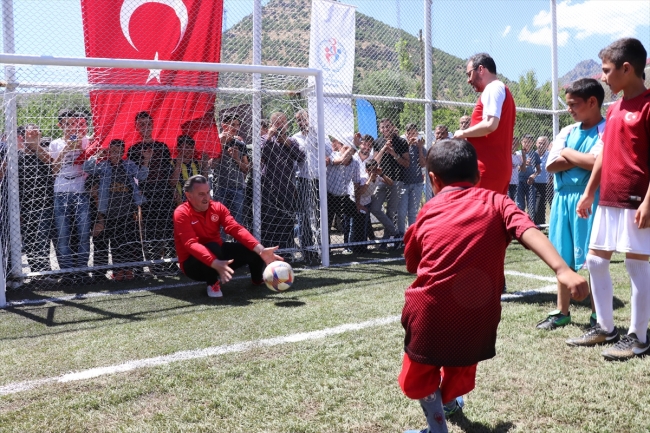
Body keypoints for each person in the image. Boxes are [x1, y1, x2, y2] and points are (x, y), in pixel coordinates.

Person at [400, 139, 589, 433]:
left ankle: (437, 426)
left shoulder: (428, 210)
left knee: (420, 373)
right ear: (478, 174)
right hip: (479, 313)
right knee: (459, 363)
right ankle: (448, 401)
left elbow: (413, 262)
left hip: (429, 310)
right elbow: (527, 229)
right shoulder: (498, 201)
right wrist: (562, 269)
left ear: (433, 180)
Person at [568, 38, 650, 361]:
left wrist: (647, 201)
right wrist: (590, 191)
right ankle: (605, 327)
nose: (603, 77)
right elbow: (604, 153)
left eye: (606, 70)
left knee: (635, 264)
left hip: (635, 201)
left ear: (626, 69)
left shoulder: (647, 105)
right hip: (608, 200)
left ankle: (639, 337)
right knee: (597, 261)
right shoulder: (614, 108)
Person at [536, 78, 605, 330]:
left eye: (573, 104)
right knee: (562, 255)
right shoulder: (566, 131)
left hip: (589, 198)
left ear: (592, 102)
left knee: (594, 259)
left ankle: (598, 316)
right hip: (562, 199)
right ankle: (561, 312)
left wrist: (566, 153)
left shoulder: (606, 129)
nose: (569, 109)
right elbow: (551, 164)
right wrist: (577, 158)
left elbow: (597, 162)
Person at [173, 174, 283, 298]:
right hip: (193, 265)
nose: (206, 198)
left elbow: (235, 228)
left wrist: (260, 250)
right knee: (213, 247)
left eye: (208, 193)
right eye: (201, 194)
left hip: (218, 257)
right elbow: (190, 244)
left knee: (253, 248)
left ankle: (258, 280)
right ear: (189, 196)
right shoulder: (181, 213)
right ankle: (213, 284)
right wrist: (214, 262)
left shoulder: (217, 207)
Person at [83, 139, 151, 280]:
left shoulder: (128, 165)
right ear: (108, 152)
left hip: (126, 211)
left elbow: (142, 176)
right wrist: (97, 154)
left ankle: (126, 270)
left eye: (118, 151)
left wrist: (146, 160)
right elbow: (87, 168)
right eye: (112, 150)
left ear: (122, 152)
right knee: (106, 244)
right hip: (107, 211)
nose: (115, 153)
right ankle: (107, 272)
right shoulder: (103, 166)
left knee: (123, 243)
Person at [454, 53, 516, 194]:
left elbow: (490, 124)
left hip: (486, 169)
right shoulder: (502, 90)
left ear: (481, 69)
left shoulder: (493, 88)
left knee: (480, 215)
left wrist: (462, 133)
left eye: (469, 74)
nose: (468, 80)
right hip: (495, 168)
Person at [128, 111, 176, 275]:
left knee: (169, 228)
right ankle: (154, 264)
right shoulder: (133, 150)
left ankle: (171, 263)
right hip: (146, 194)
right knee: (150, 230)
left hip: (165, 192)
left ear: (153, 125)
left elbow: (169, 172)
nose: (146, 127)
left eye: (149, 124)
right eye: (142, 124)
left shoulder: (162, 147)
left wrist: (174, 191)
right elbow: (133, 176)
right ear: (136, 127)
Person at [49, 109, 92, 282]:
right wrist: (66, 148)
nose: (71, 127)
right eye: (67, 124)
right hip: (61, 193)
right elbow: (54, 170)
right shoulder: (55, 143)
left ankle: (82, 270)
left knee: (83, 234)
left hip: (81, 191)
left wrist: (81, 145)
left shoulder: (85, 140)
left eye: (74, 123)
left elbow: (91, 163)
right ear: (60, 125)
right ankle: (67, 272)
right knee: (63, 234)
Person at [260, 112, 306, 254]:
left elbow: (300, 157)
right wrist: (269, 136)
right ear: (271, 124)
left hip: (287, 188)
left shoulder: (292, 141)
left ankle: (287, 252)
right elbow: (261, 155)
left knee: (287, 221)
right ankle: (269, 253)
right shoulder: (263, 139)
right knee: (269, 222)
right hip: (268, 188)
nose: (280, 126)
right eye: (277, 123)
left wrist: (286, 142)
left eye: (283, 122)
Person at [16, 125, 55, 279]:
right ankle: (36, 273)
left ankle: (46, 273)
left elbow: (52, 164)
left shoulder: (43, 152)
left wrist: (36, 144)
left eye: (36, 131)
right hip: (25, 206)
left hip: (45, 205)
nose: (33, 134)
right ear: (22, 136)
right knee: (31, 241)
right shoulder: (18, 157)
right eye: (29, 132)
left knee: (43, 241)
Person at [292, 109, 327, 262]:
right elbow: (295, 160)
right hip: (303, 180)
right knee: (304, 216)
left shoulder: (320, 133)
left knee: (321, 216)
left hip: (319, 180)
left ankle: (323, 248)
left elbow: (328, 150)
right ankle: (307, 250)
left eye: (304, 119)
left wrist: (313, 134)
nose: (302, 122)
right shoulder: (295, 138)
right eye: (299, 120)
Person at [373, 118, 409, 243]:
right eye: (383, 127)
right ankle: (395, 232)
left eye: (388, 126)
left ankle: (385, 239)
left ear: (393, 127)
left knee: (391, 211)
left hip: (397, 180)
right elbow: (374, 162)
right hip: (381, 179)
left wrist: (394, 154)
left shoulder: (401, 142)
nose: (385, 129)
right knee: (375, 208)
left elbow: (406, 163)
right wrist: (383, 149)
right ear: (380, 129)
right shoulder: (377, 141)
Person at [211, 114, 249, 226]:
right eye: (233, 125)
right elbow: (211, 165)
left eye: (238, 125)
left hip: (237, 188)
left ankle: (238, 243)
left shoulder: (240, 144)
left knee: (237, 222)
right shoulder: (215, 142)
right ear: (224, 125)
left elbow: (246, 169)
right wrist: (221, 146)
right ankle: (221, 244)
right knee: (220, 222)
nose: (236, 128)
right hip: (220, 188)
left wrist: (236, 158)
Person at [325, 134, 360, 247]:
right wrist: (354, 145)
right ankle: (327, 249)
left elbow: (356, 183)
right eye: (346, 147)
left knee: (358, 214)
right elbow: (341, 160)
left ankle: (354, 245)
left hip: (343, 196)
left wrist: (358, 203)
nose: (348, 150)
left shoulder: (355, 163)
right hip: (329, 196)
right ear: (340, 147)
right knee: (326, 224)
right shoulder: (333, 155)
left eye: (350, 148)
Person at [398, 123, 427, 237]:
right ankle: (400, 235)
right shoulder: (401, 146)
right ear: (406, 134)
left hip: (417, 183)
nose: (411, 135)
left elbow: (423, 164)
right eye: (409, 133)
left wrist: (419, 148)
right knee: (401, 212)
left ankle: (412, 235)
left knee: (413, 212)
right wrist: (408, 146)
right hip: (404, 183)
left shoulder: (421, 147)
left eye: (414, 133)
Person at [171, 135, 210, 207]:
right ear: (178, 148)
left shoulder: (196, 163)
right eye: (186, 147)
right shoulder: (172, 163)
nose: (189, 150)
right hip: (179, 201)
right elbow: (172, 183)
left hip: (196, 200)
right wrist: (178, 165)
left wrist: (205, 164)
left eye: (191, 147)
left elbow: (204, 181)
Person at [516, 134, 541, 219]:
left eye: (529, 142)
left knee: (531, 205)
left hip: (530, 181)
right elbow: (515, 168)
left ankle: (530, 223)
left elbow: (538, 170)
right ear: (522, 143)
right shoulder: (517, 154)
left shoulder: (535, 154)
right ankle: (520, 223)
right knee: (519, 204)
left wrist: (533, 176)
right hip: (518, 181)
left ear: (533, 143)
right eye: (525, 142)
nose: (527, 144)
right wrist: (523, 164)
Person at [533, 136, 551, 225]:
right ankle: (539, 225)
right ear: (536, 144)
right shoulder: (533, 154)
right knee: (538, 206)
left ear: (547, 145)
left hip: (548, 184)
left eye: (544, 143)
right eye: (539, 143)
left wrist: (551, 179)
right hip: (535, 184)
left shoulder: (550, 155)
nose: (541, 145)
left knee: (552, 205)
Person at [508, 136, 521, 202]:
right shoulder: (506, 154)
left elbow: (522, 166)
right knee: (508, 200)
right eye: (512, 143)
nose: (514, 146)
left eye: (516, 144)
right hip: (507, 182)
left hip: (515, 182)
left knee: (512, 201)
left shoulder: (518, 155)